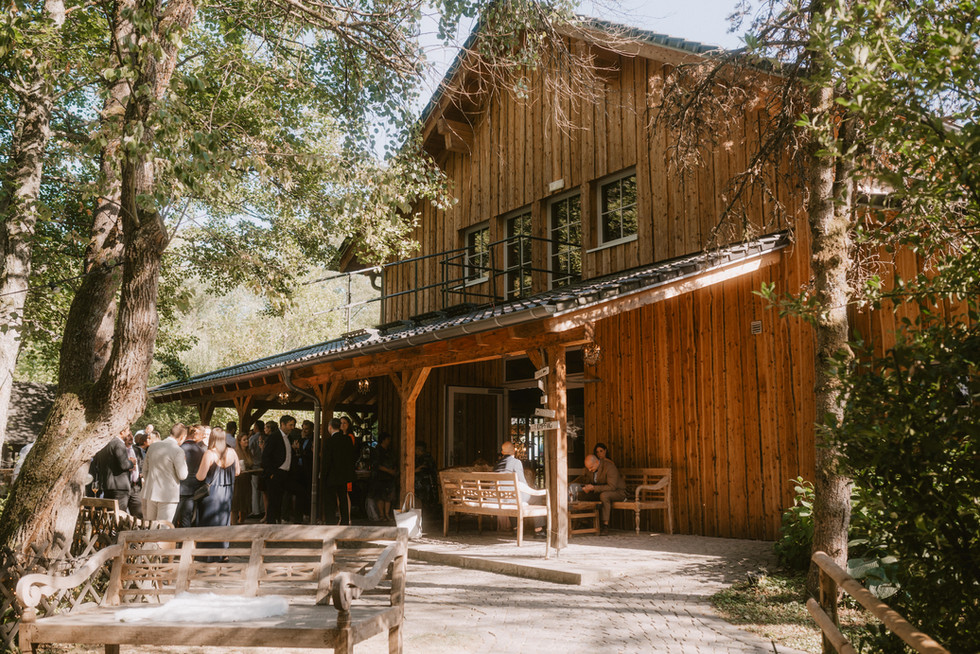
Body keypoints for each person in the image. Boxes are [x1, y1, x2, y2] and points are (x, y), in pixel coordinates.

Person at [196, 427, 240, 559]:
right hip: (227, 493)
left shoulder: (209, 454)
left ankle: (207, 555)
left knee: (208, 522)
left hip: (212, 493)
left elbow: (200, 476)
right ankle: (222, 553)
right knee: (223, 521)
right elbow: (237, 472)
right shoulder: (232, 452)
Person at [494, 441, 545, 536]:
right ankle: (539, 530)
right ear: (514, 451)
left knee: (510, 496)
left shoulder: (497, 465)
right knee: (536, 498)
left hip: (500, 498)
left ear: (502, 452)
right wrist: (532, 492)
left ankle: (516, 528)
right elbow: (523, 483)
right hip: (512, 498)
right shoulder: (516, 462)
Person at [141, 423, 189, 523]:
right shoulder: (178, 451)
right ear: (182, 437)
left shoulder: (153, 446)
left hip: (151, 492)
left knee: (151, 526)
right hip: (168, 495)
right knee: (163, 528)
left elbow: (145, 470)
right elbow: (183, 475)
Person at [573, 454, 626, 535]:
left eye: (591, 467)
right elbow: (589, 481)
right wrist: (586, 487)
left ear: (597, 462)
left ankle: (605, 526)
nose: (590, 470)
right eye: (588, 468)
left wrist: (594, 488)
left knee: (604, 496)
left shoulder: (609, 467)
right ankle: (584, 520)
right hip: (600, 491)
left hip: (618, 492)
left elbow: (612, 487)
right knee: (580, 495)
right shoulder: (591, 469)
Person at [94, 427, 140, 517]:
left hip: (107, 486)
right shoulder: (118, 444)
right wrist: (132, 462)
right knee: (119, 515)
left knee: (109, 515)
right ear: (122, 432)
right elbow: (124, 465)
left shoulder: (104, 444)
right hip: (120, 487)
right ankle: (119, 531)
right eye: (127, 431)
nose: (129, 434)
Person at [323, 417, 356, 525]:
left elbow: (327, 460)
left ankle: (331, 521)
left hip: (332, 475)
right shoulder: (347, 440)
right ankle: (345, 521)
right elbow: (352, 457)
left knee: (330, 500)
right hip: (344, 474)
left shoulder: (329, 441)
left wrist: (324, 475)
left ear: (330, 427)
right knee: (343, 498)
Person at [175, 424, 208, 527]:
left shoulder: (179, 448)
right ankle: (185, 541)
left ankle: (170, 541)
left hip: (178, 486)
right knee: (187, 518)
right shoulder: (201, 451)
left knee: (173, 517)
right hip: (192, 488)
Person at [261, 418, 290, 524]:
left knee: (280, 498)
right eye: (290, 425)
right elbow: (266, 456)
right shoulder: (274, 437)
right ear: (283, 424)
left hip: (285, 473)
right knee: (273, 500)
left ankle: (278, 520)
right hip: (276, 472)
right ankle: (271, 522)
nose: (292, 427)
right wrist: (271, 473)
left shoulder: (288, 438)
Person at [369, 432, 397, 521]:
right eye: (388, 439)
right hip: (380, 476)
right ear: (383, 440)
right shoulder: (377, 451)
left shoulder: (389, 451)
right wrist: (389, 471)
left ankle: (387, 514)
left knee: (388, 496)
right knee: (380, 496)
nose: (389, 441)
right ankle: (381, 515)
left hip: (389, 477)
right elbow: (376, 465)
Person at [232, 431, 255, 524]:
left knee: (245, 502)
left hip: (247, 479)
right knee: (236, 502)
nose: (247, 441)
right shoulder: (236, 452)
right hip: (238, 480)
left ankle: (241, 521)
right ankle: (233, 523)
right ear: (239, 441)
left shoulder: (248, 452)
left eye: (247, 439)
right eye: (244, 440)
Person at [414, 441, 438, 506]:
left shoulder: (426, 458)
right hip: (421, 483)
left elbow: (423, 469)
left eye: (416, 449)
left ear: (419, 449)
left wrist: (415, 470)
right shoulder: (418, 457)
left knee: (424, 500)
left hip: (424, 483)